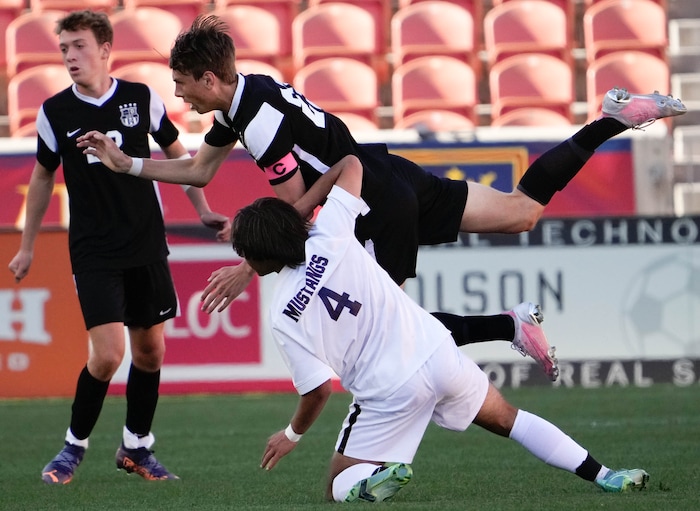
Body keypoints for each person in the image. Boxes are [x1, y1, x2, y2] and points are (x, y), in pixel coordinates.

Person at [76, 16, 687, 381]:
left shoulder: (256, 123)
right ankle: (612, 119)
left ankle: (507, 324)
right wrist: (126, 163)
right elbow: (201, 169)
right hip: (385, 170)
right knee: (521, 213)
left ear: (209, 79)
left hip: (370, 199)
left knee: (386, 331)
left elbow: (295, 210)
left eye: (183, 86)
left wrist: (248, 266)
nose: (180, 97)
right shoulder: (249, 93)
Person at [230, 157, 650, 502]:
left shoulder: (282, 313)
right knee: (510, 419)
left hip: (388, 390)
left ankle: (373, 475)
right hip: (437, 353)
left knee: (337, 485)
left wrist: (291, 434)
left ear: (258, 255)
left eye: (245, 254)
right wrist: (300, 210)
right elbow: (352, 164)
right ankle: (606, 475)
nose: (245, 261)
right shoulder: (331, 233)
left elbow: (318, 390)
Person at [7, 10, 231, 485]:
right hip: (93, 249)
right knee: (108, 355)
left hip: (145, 240)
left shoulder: (141, 98)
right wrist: (27, 248)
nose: (70, 56)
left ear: (106, 49)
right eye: (64, 48)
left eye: (79, 46)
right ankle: (72, 448)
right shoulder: (54, 112)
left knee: (150, 353)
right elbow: (43, 175)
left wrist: (202, 207)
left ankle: (137, 448)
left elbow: (177, 154)